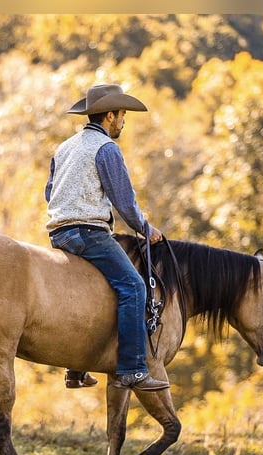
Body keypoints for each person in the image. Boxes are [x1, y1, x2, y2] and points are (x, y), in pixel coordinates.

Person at [44, 83, 167, 392]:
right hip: (88, 233)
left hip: (59, 234)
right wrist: (145, 228)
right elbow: (124, 202)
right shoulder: (106, 149)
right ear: (110, 116)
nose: (124, 121)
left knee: (92, 293)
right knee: (134, 287)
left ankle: (76, 370)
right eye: (122, 115)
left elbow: (49, 192)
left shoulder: (65, 147)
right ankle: (132, 369)